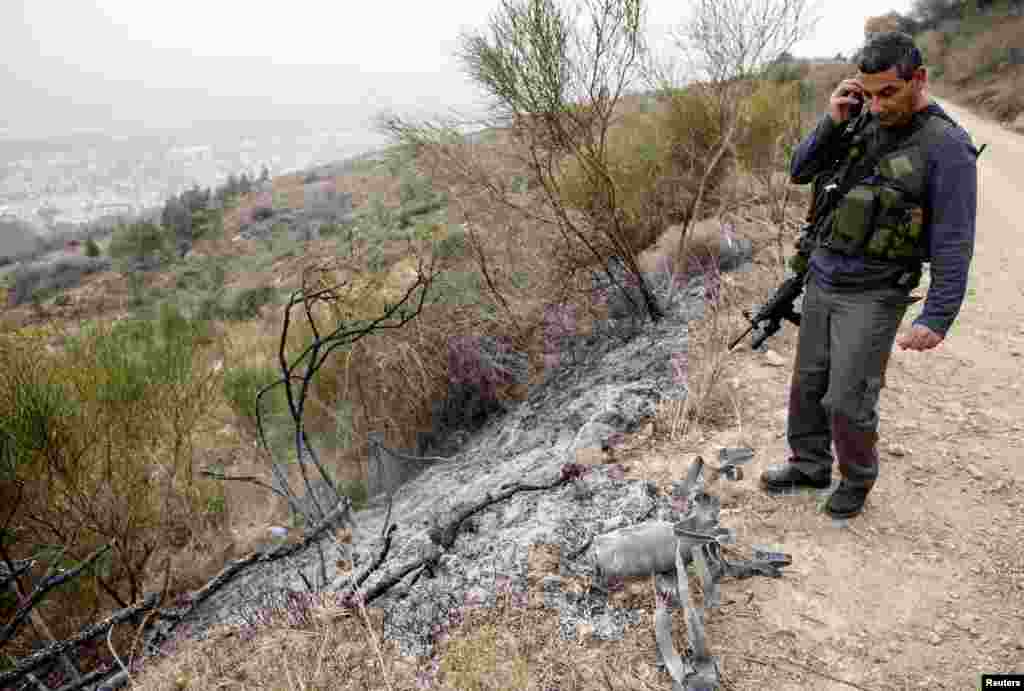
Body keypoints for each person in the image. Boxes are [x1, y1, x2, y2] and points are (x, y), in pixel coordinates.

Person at [759, 31, 980, 519]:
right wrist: (831, 120)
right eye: (868, 93)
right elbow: (800, 171)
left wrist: (938, 315)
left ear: (919, 79)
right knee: (809, 383)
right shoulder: (858, 119)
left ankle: (856, 477)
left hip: (876, 290)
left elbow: (954, 239)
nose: (877, 106)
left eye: (889, 93)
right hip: (822, 274)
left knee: (848, 397)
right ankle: (809, 463)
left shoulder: (947, 147)